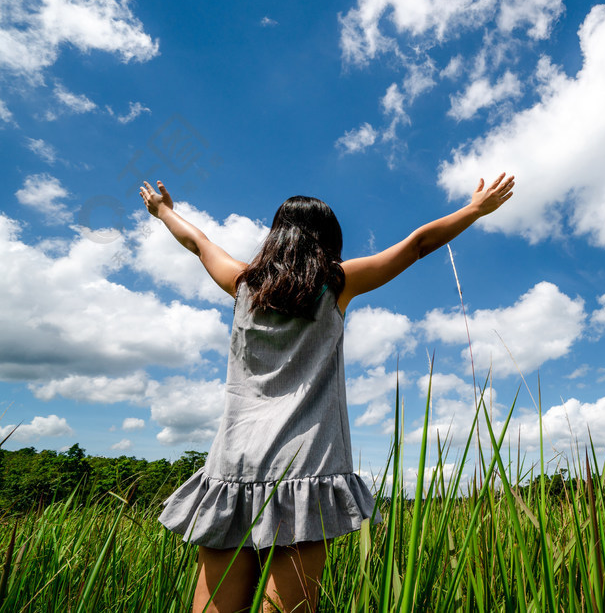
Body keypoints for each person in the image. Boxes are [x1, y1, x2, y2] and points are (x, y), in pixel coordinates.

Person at [139, 173, 515, 613]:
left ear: (275, 235)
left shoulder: (242, 284)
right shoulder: (335, 284)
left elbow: (199, 243)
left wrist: (163, 210)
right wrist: (474, 209)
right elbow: (416, 245)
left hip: (234, 464)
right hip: (306, 463)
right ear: (327, 241)